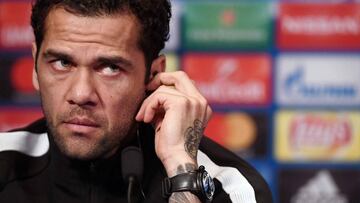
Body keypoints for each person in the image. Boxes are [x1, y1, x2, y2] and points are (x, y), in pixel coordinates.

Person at [0, 0, 273, 202]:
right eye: (62, 62)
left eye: (109, 68)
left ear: (153, 75)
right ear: (36, 67)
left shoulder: (231, 187)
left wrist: (181, 170)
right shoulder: (5, 162)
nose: (81, 94)